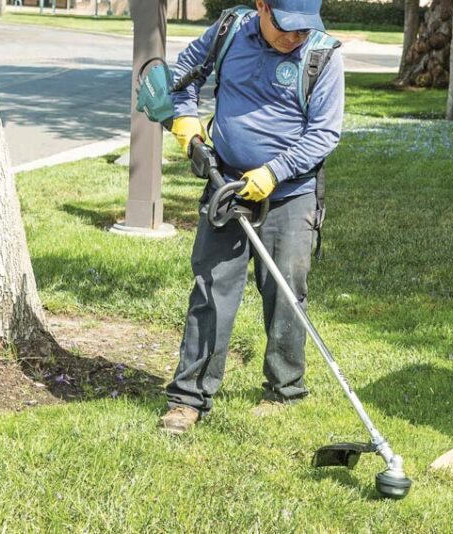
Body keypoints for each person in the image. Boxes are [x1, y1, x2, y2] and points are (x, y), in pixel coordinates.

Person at [160, 0, 344, 434]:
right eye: (286, 27)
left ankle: (284, 389)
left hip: (290, 195)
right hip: (225, 183)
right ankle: (188, 399)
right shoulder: (229, 30)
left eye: (304, 29)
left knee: (285, 291)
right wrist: (185, 118)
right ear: (262, 6)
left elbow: (325, 133)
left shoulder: (322, 55)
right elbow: (185, 71)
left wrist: (273, 172)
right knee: (212, 291)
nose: (295, 38)